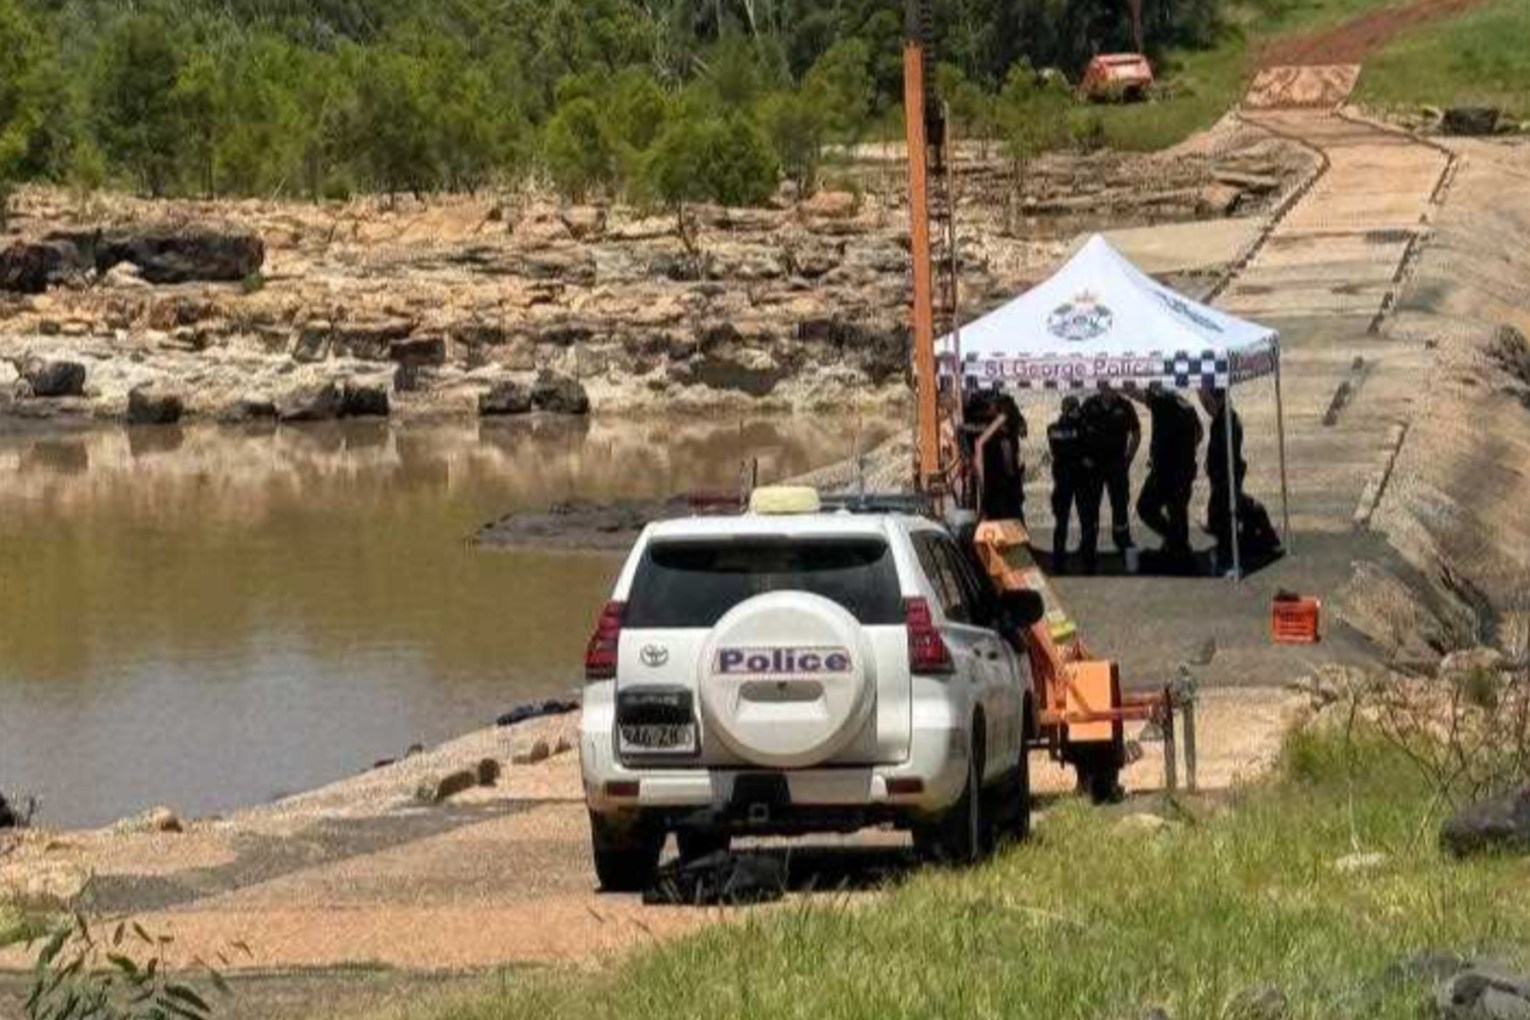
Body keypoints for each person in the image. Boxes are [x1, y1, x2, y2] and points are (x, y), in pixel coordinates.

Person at [1134, 389, 1202, 573]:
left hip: (1165, 472)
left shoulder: (1161, 400)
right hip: (1184, 470)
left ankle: (1177, 546)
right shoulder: (1187, 405)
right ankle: (1180, 551)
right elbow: (1199, 433)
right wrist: (1184, 450)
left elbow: (1137, 395)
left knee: (1145, 507)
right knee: (1178, 513)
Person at [1080, 389, 1141, 553]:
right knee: (1091, 505)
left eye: (1113, 386)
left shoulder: (1125, 405)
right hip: (1094, 466)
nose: (1111, 390)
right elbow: (1079, 430)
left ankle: (1122, 540)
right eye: (1107, 386)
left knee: (1120, 503)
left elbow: (1136, 432)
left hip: (1117, 464)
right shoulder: (1089, 405)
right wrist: (1083, 455)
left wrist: (1129, 457)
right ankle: (1088, 543)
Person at [1199, 389, 1245, 575]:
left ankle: (1228, 561)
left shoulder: (1227, 422)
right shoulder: (1224, 418)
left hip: (1226, 478)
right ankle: (1225, 557)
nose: (1206, 406)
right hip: (1222, 478)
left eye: (1208, 402)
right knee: (1220, 519)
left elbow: (1225, 454)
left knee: (1222, 519)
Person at [964, 390, 1028, 523]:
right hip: (994, 478)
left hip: (1006, 479)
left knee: (1010, 513)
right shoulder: (982, 421)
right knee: (998, 513)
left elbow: (1022, 430)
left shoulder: (1007, 424)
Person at [1046, 396, 1094, 573]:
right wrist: (1081, 455)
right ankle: (1087, 560)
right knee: (1084, 520)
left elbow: (1061, 449)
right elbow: (1084, 448)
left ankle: (1059, 561)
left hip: (1064, 478)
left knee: (1063, 522)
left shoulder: (1053, 428)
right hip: (1078, 478)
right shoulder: (1083, 427)